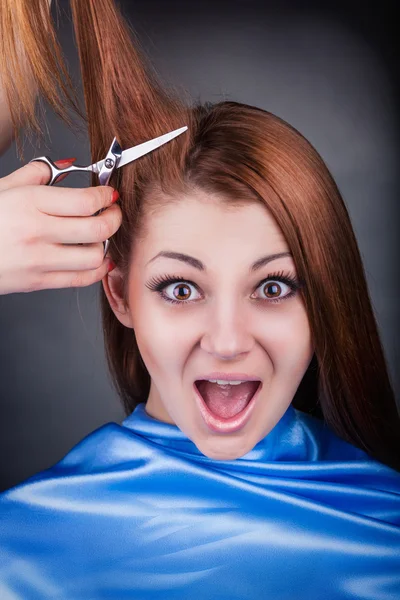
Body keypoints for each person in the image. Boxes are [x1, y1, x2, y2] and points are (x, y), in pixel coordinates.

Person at [0, 1, 399, 599]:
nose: (229, 341)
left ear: (324, 303)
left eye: (273, 287)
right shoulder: (16, 548)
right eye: (181, 289)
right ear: (120, 296)